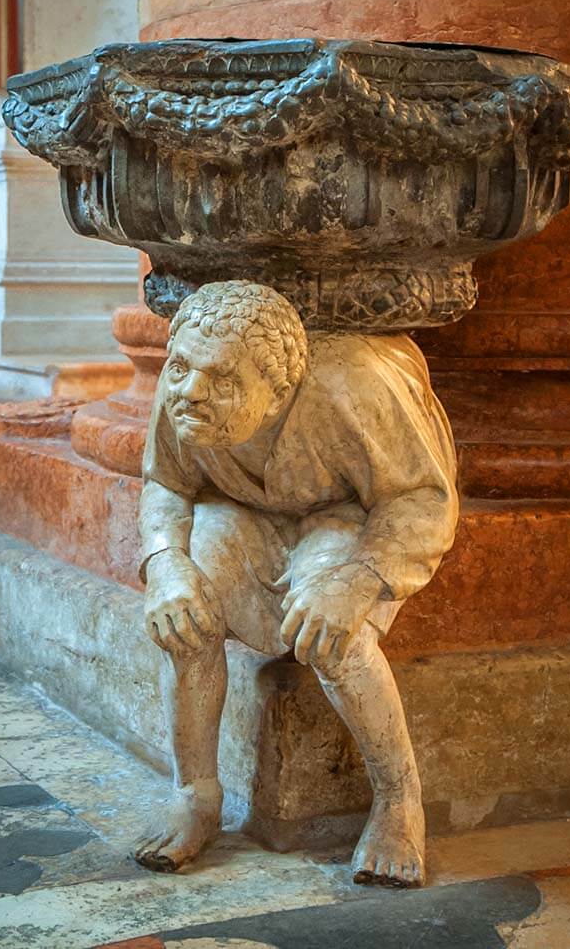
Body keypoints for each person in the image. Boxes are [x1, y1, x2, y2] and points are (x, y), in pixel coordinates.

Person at [136, 280, 458, 887]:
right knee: (185, 613)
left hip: (342, 517)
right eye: (181, 367)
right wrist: (165, 563)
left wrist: (358, 581)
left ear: (278, 388)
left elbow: (421, 497)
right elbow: (166, 484)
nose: (192, 393)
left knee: (336, 634)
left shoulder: (352, 385)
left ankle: (398, 798)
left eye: (224, 381)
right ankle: (194, 793)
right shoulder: (188, 381)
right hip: (238, 513)